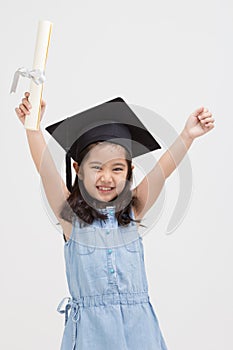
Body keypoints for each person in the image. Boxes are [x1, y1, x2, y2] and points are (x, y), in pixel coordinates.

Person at [15, 92, 215, 350]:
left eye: (117, 168)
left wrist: (188, 134)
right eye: (96, 167)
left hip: (140, 332)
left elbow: (163, 170)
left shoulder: (134, 211)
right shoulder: (70, 217)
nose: (106, 177)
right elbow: (45, 169)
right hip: (91, 335)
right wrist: (33, 129)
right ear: (78, 170)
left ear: (129, 172)